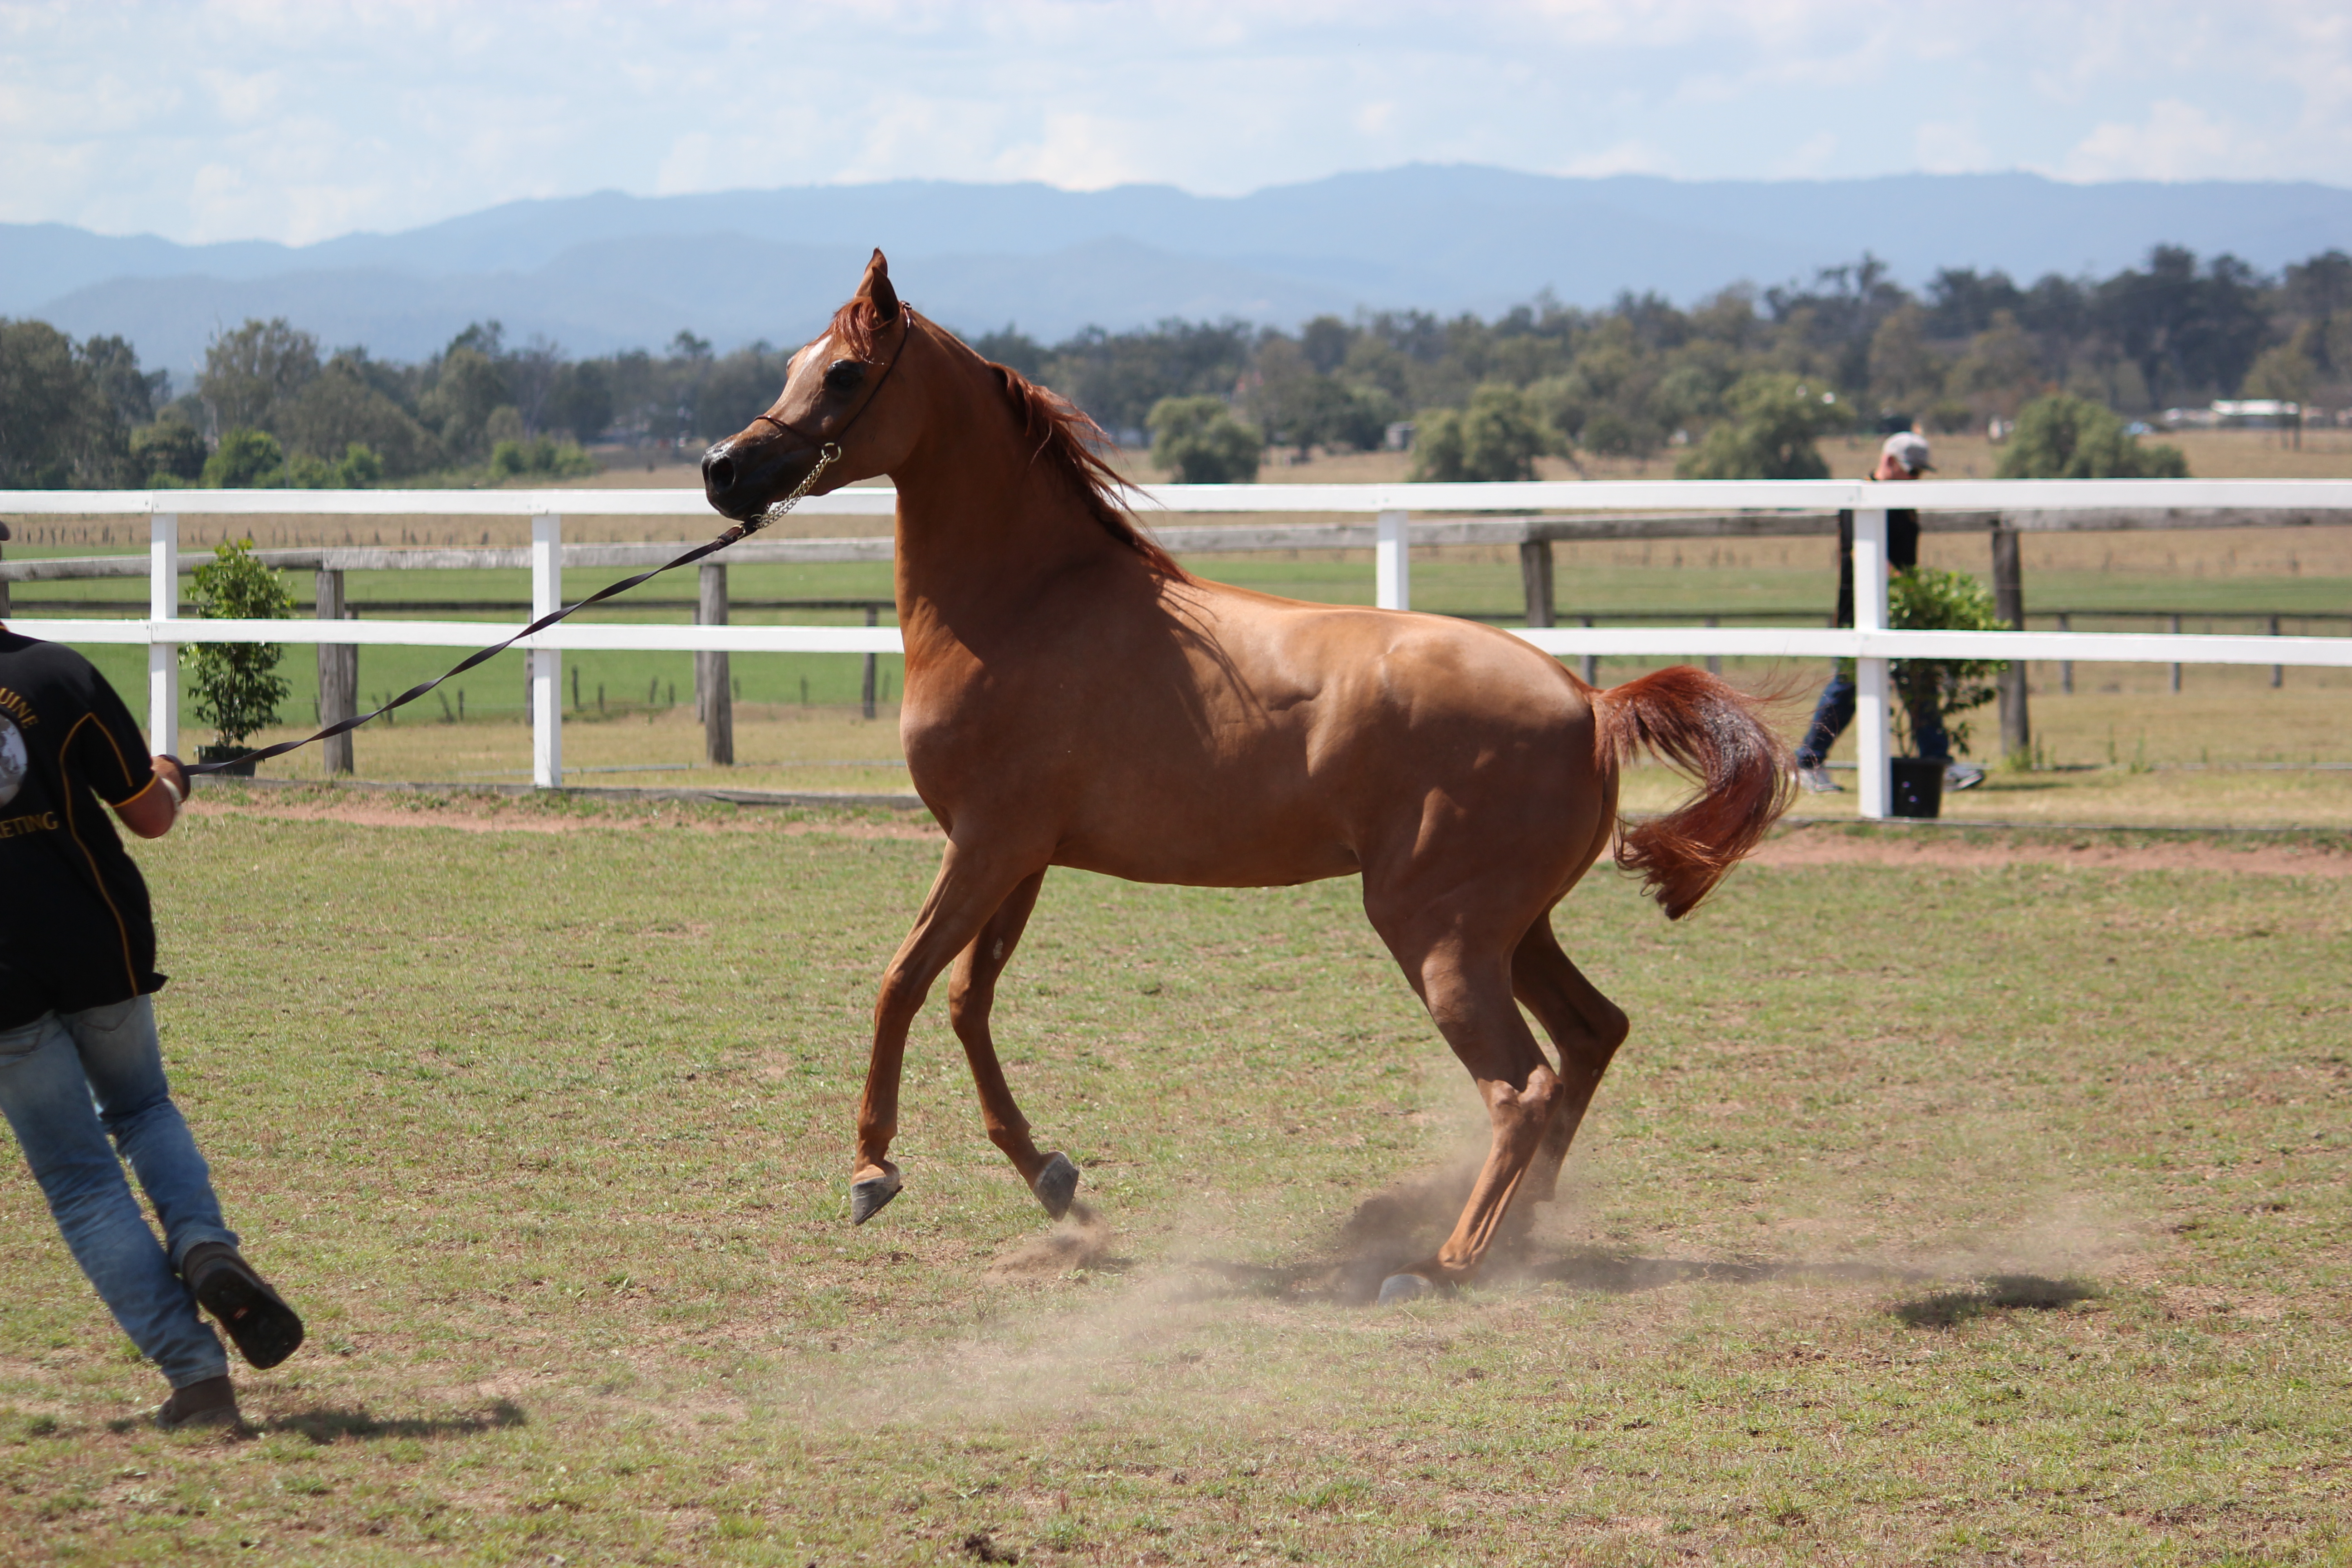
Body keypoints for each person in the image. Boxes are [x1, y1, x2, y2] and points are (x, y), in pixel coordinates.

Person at [0, 535, 304, 1432]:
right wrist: (171, 775)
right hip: (99, 946)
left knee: (83, 1186)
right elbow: (147, 817)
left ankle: (197, 1378)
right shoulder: (59, 679)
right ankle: (206, 1247)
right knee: (142, 1110)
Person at [1793, 430, 1986, 794]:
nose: (1916, 481)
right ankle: (1807, 762)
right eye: (1912, 472)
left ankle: (1936, 763)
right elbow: (1869, 557)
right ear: (1891, 462)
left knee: (1918, 686)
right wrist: (1914, 593)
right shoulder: (1860, 497)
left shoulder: (1903, 501)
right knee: (1847, 691)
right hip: (1861, 611)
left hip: (1900, 609)